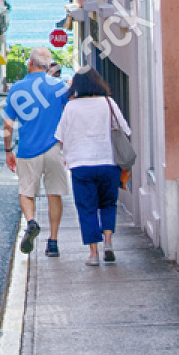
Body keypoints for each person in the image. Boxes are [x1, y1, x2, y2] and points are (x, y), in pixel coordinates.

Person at [55, 68, 132, 266]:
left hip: (81, 165)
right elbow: (125, 130)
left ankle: (93, 253)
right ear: (98, 82)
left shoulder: (71, 107)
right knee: (108, 203)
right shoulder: (108, 103)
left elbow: (60, 137)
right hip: (108, 163)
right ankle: (108, 243)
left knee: (87, 208)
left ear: (76, 85)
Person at [3, 46, 69, 256]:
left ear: (30, 63)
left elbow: (8, 124)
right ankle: (53, 243)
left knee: (26, 192)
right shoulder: (59, 87)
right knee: (54, 193)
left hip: (28, 149)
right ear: (49, 66)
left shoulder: (17, 89)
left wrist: (8, 150)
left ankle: (31, 222)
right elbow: (70, 114)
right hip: (54, 148)